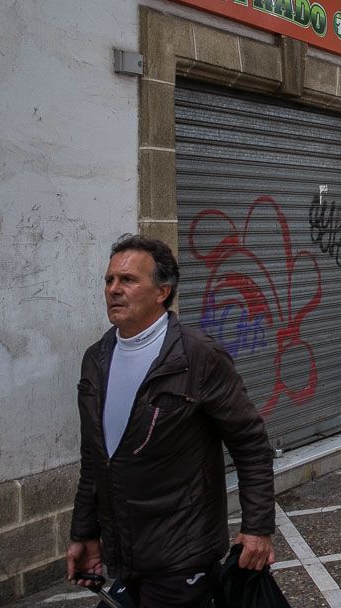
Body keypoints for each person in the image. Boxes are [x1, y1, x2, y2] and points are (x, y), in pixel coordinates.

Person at [68, 235, 276, 606]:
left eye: (128, 280)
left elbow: (251, 444)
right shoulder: (97, 359)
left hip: (182, 552)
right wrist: (85, 532)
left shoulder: (198, 356)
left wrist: (257, 528)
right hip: (124, 553)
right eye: (109, 280)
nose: (114, 290)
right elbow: (95, 456)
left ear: (162, 291)